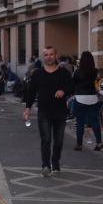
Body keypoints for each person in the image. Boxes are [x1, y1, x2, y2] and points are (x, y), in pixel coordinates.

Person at [24, 47, 73, 176]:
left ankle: (55, 162)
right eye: (46, 55)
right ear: (43, 57)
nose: (49, 57)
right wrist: (27, 108)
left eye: (51, 54)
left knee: (59, 141)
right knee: (46, 139)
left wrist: (63, 91)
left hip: (60, 112)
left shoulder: (64, 73)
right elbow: (31, 92)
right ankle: (46, 165)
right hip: (44, 112)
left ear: (56, 55)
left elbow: (71, 86)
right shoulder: (37, 74)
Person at [73, 51, 103, 151]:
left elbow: (73, 83)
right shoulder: (95, 71)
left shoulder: (78, 71)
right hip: (93, 98)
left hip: (80, 97)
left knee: (80, 122)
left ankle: (79, 144)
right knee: (95, 122)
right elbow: (98, 83)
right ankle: (99, 143)